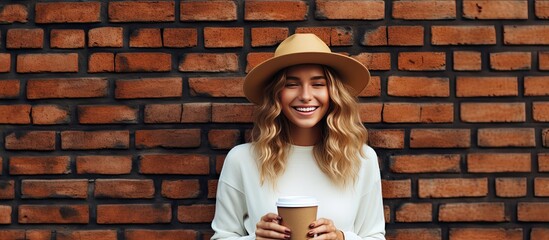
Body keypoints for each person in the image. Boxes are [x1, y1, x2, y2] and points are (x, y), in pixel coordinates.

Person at [211, 33, 385, 240]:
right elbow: (222, 237)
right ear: (276, 94)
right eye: (291, 84)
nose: (305, 95)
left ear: (333, 93)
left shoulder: (361, 159)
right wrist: (256, 239)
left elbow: (375, 237)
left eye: (318, 84)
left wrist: (340, 237)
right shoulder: (242, 159)